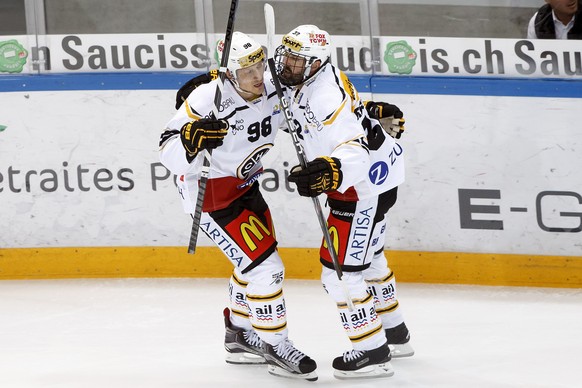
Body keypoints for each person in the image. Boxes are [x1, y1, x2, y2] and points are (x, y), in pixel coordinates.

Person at [158, 31, 318, 382]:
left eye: (260, 66)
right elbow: (167, 147)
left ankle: (238, 334)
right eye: (247, 72)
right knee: (266, 269)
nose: (258, 76)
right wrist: (190, 139)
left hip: (246, 186)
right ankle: (275, 344)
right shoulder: (208, 98)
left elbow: (312, 112)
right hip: (211, 196)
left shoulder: (274, 86)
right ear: (229, 74)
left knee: (253, 264)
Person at [272, 25, 414, 379]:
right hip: (383, 177)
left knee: (339, 272)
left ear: (315, 64)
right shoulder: (313, 76)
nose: (287, 64)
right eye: (286, 56)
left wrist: (329, 170)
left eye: (296, 60)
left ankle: (372, 351)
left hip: (361, 187)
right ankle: (395, 334)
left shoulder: (323, 96)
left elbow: (353, 149)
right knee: (369, 259)